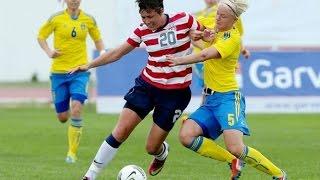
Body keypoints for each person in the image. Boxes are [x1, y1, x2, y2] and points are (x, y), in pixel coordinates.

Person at [69, 0, 207, 179]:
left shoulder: (184, 20)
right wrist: (88, 65)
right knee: (120, 131)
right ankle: (90, 175)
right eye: (143, 17)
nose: (147, 21)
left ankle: (161, 152)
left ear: (161, 11)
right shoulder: (142, 30)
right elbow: (117, 52)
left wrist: (201, 34)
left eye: (150, 17)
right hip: (147, 86)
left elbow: (204, 32)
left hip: (176, 94)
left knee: (151, 147)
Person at [166, 0, 287, 179]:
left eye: (223, 16)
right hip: (210, 101)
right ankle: (233, 161)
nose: (218, 18)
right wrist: (198, 35)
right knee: (186, 136)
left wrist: (180, 60)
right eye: (217, 14)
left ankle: (279, 175)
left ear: (234, 20)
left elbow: (207, 54)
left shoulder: (232, 37)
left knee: (236, 147)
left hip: (228, 98)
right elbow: (193, 32)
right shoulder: (214, 31)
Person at [37, 0, 105, 163]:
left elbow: (98, 39)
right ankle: (65, 109)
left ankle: (72, 153)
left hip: (80, 71)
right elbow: (41, 37)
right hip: (59, 73)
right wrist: (49, 52)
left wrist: (102, 52)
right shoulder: (56, 18)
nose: (74, 1)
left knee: (77, 108)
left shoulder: (89, 19)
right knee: (62, 117)